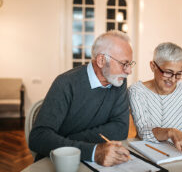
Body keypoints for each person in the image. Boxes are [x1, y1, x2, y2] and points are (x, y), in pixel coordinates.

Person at [29, 30, 136, 167]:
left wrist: (68, 141)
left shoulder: (118, 82)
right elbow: (38, 138)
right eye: (124, 64)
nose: (128, 71)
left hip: (94, 160)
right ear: (101, 60)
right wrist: (92, 151)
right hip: (58, 163)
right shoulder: (65, 83)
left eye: (130, 64)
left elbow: (120, 129)